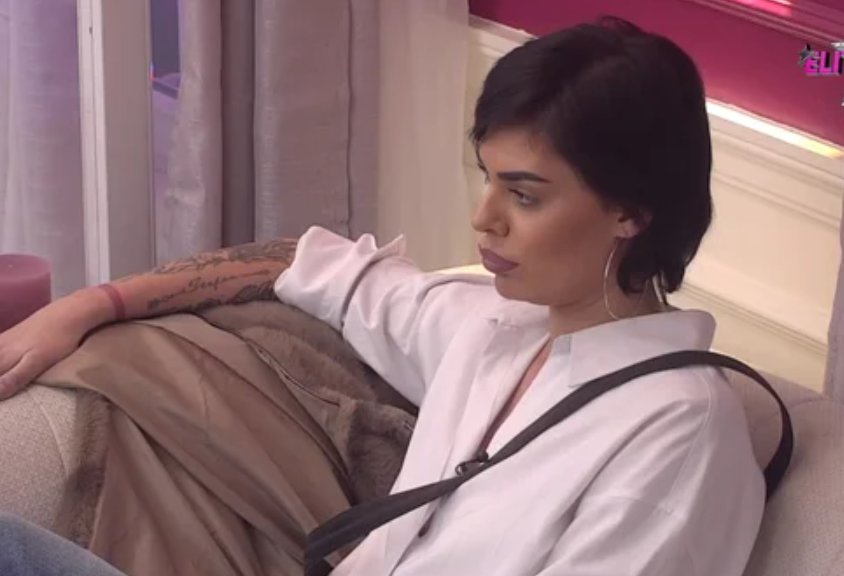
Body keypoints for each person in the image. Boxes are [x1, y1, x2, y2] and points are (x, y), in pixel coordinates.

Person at [0, 16, 764, 576]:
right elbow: (300, 263)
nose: (484, 218)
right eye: (487, 178)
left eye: (525, 195)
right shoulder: (489, 326)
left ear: (632, 211)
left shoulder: (679, 432)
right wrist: (87, 306)